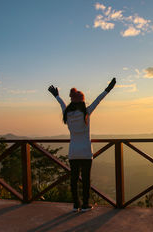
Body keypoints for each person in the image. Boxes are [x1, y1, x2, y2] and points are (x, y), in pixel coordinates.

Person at [48, 78, 116, 212]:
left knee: (73, 179)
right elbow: (98, 99)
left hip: (73, 152)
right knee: (85, 180)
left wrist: (56, 95)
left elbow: (62, 103)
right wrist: (108, 89)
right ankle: (85, 204)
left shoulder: (67, 113)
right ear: (82, 101)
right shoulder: (86, 113)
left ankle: (75, 204)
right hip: (85, 152)